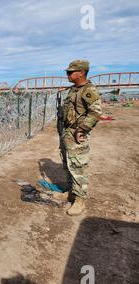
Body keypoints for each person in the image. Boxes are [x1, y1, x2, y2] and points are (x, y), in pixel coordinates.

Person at [58, 60, 102, 216]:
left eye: (71, 72)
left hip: (77, 133)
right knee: (68, 164)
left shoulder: (88, 90)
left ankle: (80, 200)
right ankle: (71, 192)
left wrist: (82, 129)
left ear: (81, 72)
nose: (68, 74)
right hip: (67, 132)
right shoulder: (73, 90)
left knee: (78, 167)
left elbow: (96, 112)